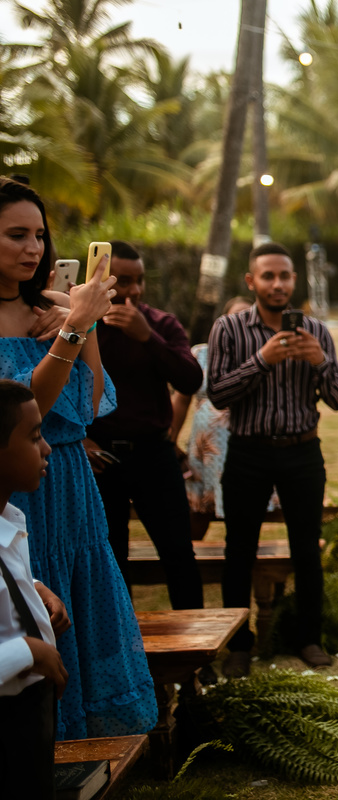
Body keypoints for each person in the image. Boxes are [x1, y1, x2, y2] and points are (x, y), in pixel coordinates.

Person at [0, 177, 158, 739]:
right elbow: (21, 412)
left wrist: (77, 321)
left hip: (69, 482)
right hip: (13, 488)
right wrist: (71, 329)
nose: (33, 249)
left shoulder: (56, 306)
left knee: (83, 600)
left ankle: (92, 747)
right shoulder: (59, 318)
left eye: (39, 235)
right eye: (16, 235)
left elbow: (87, 407)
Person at [207, 242, 338, 676]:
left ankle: (308, 638)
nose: (278, 283)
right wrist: (262, 361)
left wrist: (320, 363)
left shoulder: (317, 332)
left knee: (307, 550)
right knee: (239, 551)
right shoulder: (228, 330)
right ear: (251, 282)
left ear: (294, 280)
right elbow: (218, 393)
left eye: (285, 275)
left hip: (302, 452)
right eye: (268, 276)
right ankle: (238, 644)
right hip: (248, 452)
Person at [83, 240, 203, 608]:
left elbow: (190, 380)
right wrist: (81, 439)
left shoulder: (161, 324)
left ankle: (200, 657)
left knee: (179, 553)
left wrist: (147, 338)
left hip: (154, 453)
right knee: (110, 560)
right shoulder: (78, 325)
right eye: (123, 281)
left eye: (139, 281)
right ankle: (121, 655)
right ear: (99, 279)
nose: (133, 290)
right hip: (99, 458)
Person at [0, 380, 68, 799]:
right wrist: (33, 650)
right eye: (34, 436)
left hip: (29, 725)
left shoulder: (11, 520)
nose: (46, 449)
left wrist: (35, 590)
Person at [172, 296, 281, 540]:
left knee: (242, 525)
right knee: (195, 518)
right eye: (235, 318)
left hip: (247, 452)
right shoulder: (201, 354)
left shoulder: (264, 358)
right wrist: (171, 439)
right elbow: (181, 400)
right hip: (204, 454)